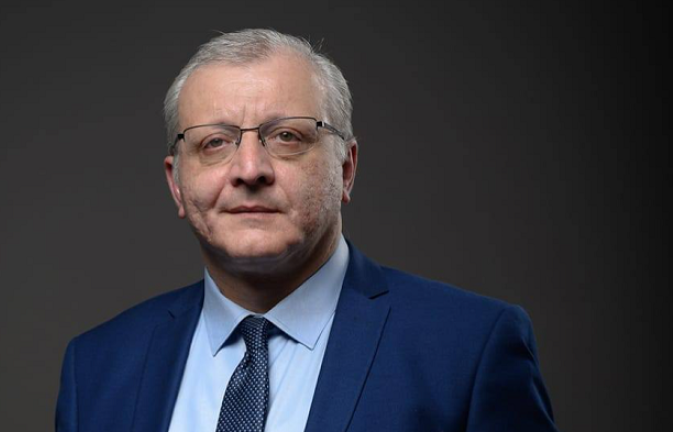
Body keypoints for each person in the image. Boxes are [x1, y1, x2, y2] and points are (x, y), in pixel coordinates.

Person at [55, 29, 558, 432]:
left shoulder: (468, 349)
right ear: (177, 185)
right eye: (215, 143)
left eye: (286, 136)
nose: (249, 169)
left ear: (346, 168)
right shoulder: (97, 368)